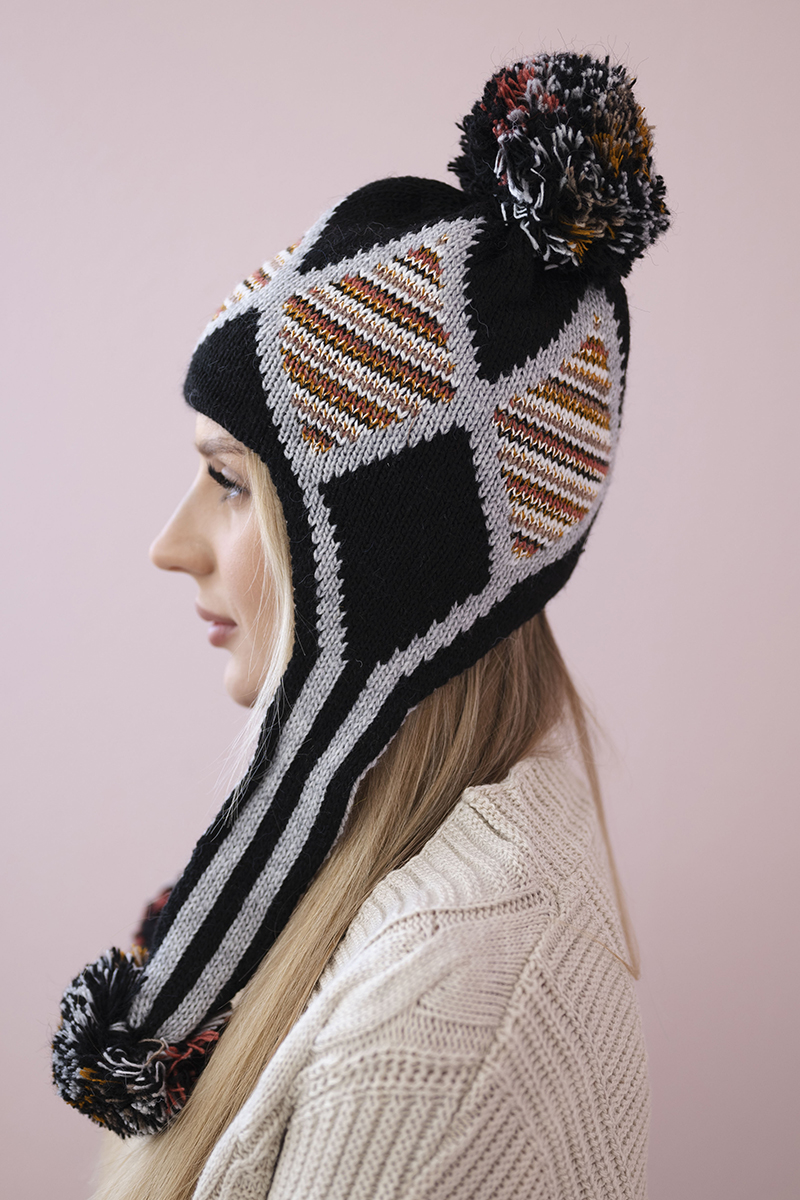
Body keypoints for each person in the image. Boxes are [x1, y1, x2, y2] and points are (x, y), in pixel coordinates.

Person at [53, 52, 669, 1200]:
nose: (170, 545)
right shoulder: (346, 863)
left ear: (389, 563)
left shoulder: (454, 1019)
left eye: (230, 483)